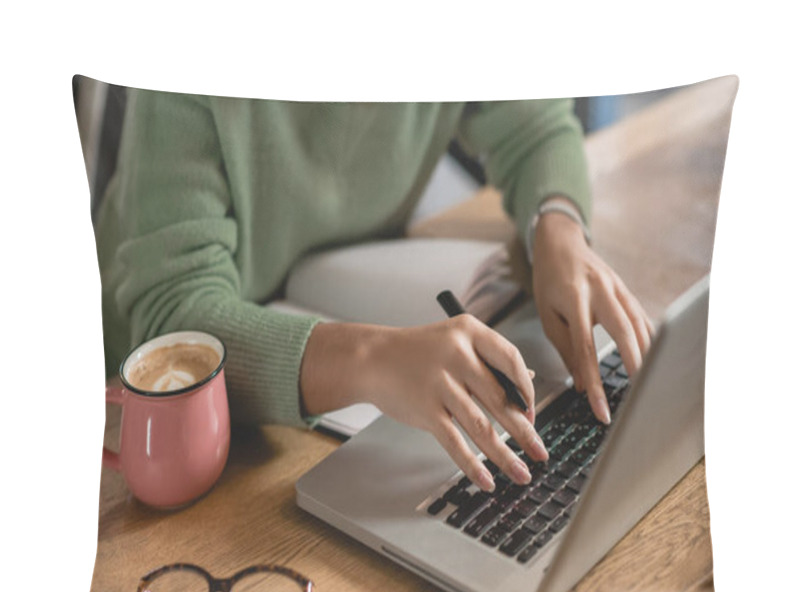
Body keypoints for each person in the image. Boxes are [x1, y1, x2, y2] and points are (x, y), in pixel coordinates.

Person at [95, 90, 652, 493]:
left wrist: (557, 227)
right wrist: (371, 358)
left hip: (325, 312)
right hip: (133, 398)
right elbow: (174, 311)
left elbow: (534, 124)